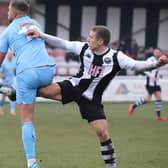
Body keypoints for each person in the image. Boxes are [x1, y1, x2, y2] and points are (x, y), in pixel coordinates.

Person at [22, 25, 168, 168]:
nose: (88, 39)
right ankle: (15, 92)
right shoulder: (84, 48)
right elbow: (62, 43)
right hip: (74, 86)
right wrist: (41, 35)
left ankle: (111, 165)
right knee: (41, 91)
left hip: (92, 98)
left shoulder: (116, 57)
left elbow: (137, 65)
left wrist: (157, 64)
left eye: (91, 37)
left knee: (102, 133)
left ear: (100, 42)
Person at [0, 0, 55, 168]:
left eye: (9, 9)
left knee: (26, 119)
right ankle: (14, 91)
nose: (7, 11)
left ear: (14, 13)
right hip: (48, 70)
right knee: (28, 91)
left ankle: (31, 163)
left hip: (27, 72)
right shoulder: (36, 23)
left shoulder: (8, 31)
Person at [128, 48, 167, 121]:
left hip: (156, 83)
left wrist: (159, 76)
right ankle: (133, 106)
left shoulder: (162, 60)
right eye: (155, 52)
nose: (157, 53)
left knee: (159, 98)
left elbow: (157, 71)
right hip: (150, 83)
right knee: (147, 99)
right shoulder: (150, 60)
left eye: (158, 52)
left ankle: (158, 116)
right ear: (153, 53)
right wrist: (151, 77)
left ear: (160, 53)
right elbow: (144, 69)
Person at [0, 49, 16, 115]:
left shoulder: (14, 62)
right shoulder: (4, 63)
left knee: (13, 95)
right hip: (4, 82)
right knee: (3, 96)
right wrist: (4, 78)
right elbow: (0, 72)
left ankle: (12, 110)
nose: (10, 56)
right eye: (9, 54)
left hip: (12, 82)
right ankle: (1, 108)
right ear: (7, 55)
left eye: (11, 54)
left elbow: (15, 71)